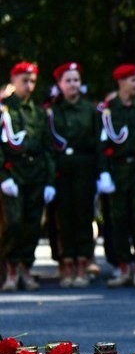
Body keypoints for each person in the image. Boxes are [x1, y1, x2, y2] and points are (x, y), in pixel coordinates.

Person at [0, 62, 55, 291]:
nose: (29, 86)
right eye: (24, 80)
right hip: (14, 174)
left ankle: (26, 268)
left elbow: (47, 148)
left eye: (32, 81)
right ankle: (11, 270)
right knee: (13, 223)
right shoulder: (4, 111)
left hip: (36, 175)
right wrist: (4, 176)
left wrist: (50, 181)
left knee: (33, 224)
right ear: (13, 80)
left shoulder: (39, 112)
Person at [97, 64, 135, 287]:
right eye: (132, 80)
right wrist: (104, 173)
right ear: (120, 82)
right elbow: (101, 143)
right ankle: (123, 266)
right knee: (118, 219)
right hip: (117, 169)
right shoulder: (108, 110)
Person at [48, 62, 99, 287]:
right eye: (68, 80)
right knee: (63, 217)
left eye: (76, 80)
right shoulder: (52, 111)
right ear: (59, 84)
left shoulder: (90, 109)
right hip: (61, 168)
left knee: (83, 216)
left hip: (84, 167)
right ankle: (66, 263)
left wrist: (101, 174)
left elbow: (98, 142)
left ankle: (82, 263)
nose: (72, 85)